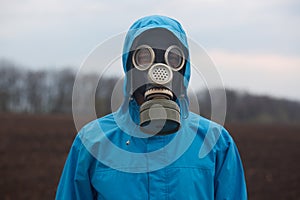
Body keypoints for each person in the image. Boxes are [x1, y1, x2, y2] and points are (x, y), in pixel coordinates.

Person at [56, 15, 247, 199]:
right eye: (145, 57)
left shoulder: (215, 143)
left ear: (184, 67)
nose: (159, 69)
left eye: (172, 58)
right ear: (129, 65)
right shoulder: (93, 142)